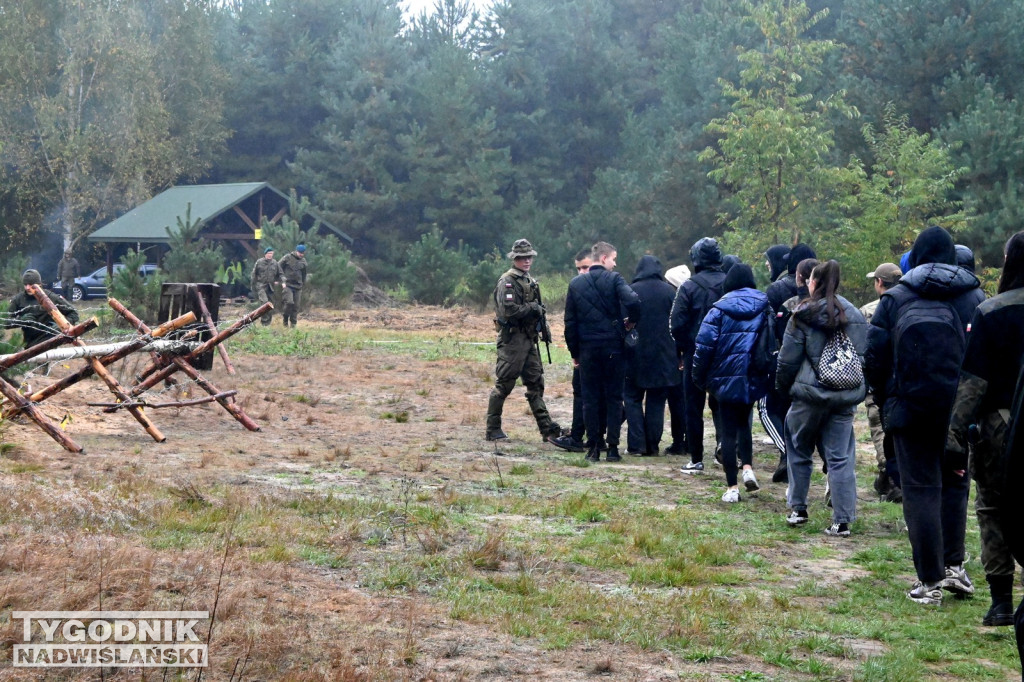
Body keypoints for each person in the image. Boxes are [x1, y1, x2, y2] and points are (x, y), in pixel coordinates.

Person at [866, 225, 985, 605]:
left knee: (919, 491)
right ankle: (955, 568)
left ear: (915, 255)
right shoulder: (973, 297)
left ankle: (929, 581)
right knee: (955, 484)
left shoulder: (896, 297)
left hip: (909, 409)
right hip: (958, 412)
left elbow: (875, 359)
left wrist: (889, 401)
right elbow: (985, 359)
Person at [947, 231, 1024, 628]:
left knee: (993, 508)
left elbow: (973, 382)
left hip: (1000, 426)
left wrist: (954, 433)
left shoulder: (992, 312)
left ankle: (1001, 603)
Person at [777, 260, 868, 536]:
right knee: (840, 457)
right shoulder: (854, 314)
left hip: (808, 397)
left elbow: (787, 360)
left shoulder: (801, 313)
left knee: (798, 449)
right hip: (842, 398)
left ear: (812, 282)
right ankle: (841, 521)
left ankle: (798, 508)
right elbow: (864, 356)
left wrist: (784, 388)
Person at [691, 264, 774, 502]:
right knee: (744, 424)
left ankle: (731, 487)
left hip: (723, 378)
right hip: (753, 374)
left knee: (727, 432)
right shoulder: (764, 306)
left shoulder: (718, 310)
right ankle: (747, 467)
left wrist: (700, 378)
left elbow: (704, 347)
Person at [564, 241, 641, 462]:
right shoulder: (615, 279)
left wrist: (574, 352)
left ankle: (594, 447)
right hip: (613, 348)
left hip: (587, 349)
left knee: (590, 399)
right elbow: (634, 301)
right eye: (614, 259)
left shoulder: (576, 284)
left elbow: (570, 323)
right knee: (614, 398)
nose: (615, 264)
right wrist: (630, 323)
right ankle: (614, 448)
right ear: (605, 258)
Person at [486, 239, 562, 444]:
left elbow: (538, 308)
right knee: (504, 384)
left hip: (528, 339)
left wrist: (543, 328)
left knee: (536, 383)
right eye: (522, 258)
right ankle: (492, 429)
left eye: (529, 257)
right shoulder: (507, 281)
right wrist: (532, 309)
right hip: (512, 340)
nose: (527, 261)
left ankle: (547, 429)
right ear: (515, 259)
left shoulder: (529, 280)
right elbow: (508, 311)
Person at [671, 237, 727, 472]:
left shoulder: (689, 287)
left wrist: (685, 350)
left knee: (693, 406)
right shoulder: (730, 283)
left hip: (696, 354)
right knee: (724, 403)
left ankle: (696, 458)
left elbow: (676, 325)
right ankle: (724, 447)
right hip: (726, 354)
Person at [763, 243, 817, 483]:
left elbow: (767, 327)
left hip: (783, 357)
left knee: (769, 408)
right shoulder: (828, 294)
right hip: (817, 364)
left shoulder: (775, 290)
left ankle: (787, 452)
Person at [623, 255, 680, 456]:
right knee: (656, 400)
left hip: (635, 352)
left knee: (632, 398)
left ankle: (636, 445)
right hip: (664, 355)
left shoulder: (631, 290)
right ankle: (653, 445)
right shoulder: (669, 292)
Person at [860, 262, 903, 502]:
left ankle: (890, 475)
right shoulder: (911, 303)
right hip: (904, 380)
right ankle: (891, 477)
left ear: (879, 283)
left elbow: (866, 347)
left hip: (879, 379)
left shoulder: (868, 310)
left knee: (878, 427)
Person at [549, 248, 593, 453]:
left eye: (586, 267)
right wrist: (574, 352)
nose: (582, 272)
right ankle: (585, 436)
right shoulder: (577, 287)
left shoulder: (609, 285)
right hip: (587, 350)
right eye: (578, 268)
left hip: (595, 351)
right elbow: (570, 323)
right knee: (582, 394)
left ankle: (582, 437)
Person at [4, 269, 80, 348]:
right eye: (25, 284)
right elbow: (3, 322)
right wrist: (20, 321)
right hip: (30, 343)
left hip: (49, 341)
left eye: (30, 284)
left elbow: (74, 313)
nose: (27, 287)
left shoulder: (50, 297)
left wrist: (60, 326)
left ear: (39, 284)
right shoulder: (18, 299)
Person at [250, 247, 284, 326]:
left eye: (271, 254)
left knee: (271, 305)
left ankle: (267, 323)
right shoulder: (259, 262)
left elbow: (280, 274)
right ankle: (264, 322)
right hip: (261, 285)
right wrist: (253, 285)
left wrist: (282, 281)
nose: (270, 255)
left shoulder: (275, 263)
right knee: (265, 303)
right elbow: (254, 274)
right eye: (268, 254)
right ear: (265, 254)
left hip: (270, 287)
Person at [278, 244, 308, 327]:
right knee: (289, 302)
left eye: (303, 253)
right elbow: (278, 267)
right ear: (296, 251)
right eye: (300, 253)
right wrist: (281, 279)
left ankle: (293, 324)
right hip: (288, 285)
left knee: (296, 306)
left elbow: (304, 274)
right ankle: (285, 318)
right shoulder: (287, 257)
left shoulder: (303, 261)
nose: (301, 254)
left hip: (298, 286)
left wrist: (303, 283)